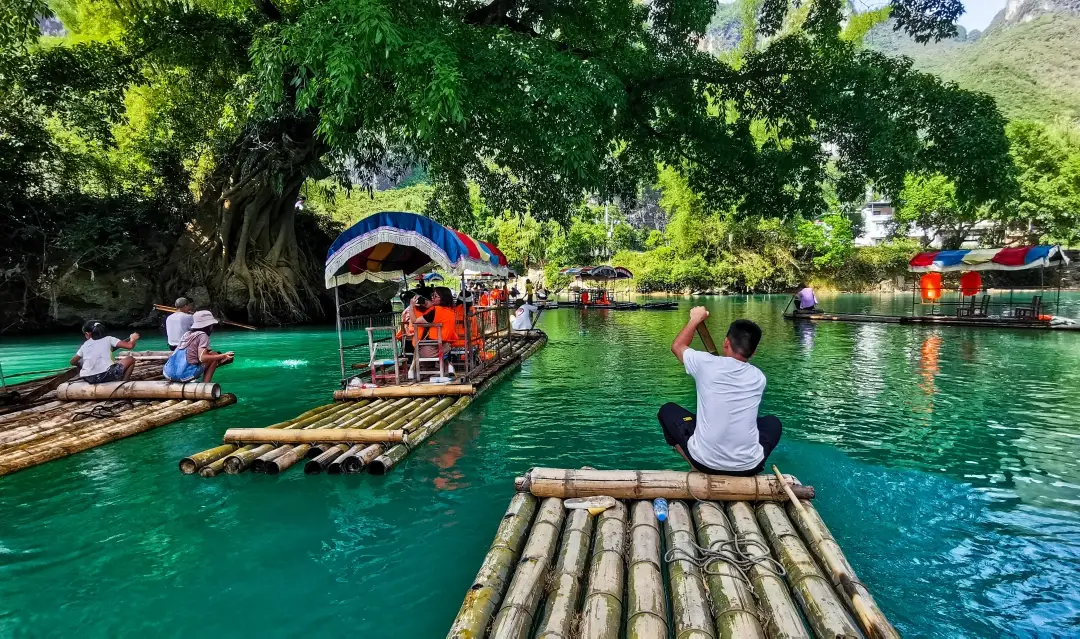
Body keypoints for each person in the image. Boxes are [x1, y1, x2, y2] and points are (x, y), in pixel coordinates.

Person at [657, 308, 782, 476]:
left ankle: (693, 466)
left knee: (667, 410)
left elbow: (677, 346)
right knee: (773, 423)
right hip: (748, 467)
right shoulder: (759, 377)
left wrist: (695, 319)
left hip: (705, 463)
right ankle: (746, 462)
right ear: (753, 352)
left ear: (726, 343)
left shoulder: (706, 364)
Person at [162, 310, 234, 382]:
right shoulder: (203, 335)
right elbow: (202, 358)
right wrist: (223, 355)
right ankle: (206, 385)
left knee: (212, 354)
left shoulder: (187, 334)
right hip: (183, 375)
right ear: (209, 326)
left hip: (168, 373)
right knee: (214, 356)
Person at [71, 320, 140, 383]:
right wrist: (133, 339)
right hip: (105, 375)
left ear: (87, 334)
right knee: (131, 359)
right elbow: (130, 346)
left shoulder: (85, 345)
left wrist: (80, 365)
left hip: (88, 378)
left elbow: (72, 362)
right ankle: (123, 383)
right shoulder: (109, 339)